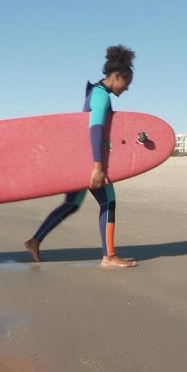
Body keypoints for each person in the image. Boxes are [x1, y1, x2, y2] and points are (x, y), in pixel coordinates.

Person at [24, 45, 137, 267]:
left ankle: (35, 240)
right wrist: (97, 165)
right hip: (88, 161)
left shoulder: (94, 92)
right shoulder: (101, 95)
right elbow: (95, 128)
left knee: (72, 204)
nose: (127, 89)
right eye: (127, 83)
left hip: (78, 159)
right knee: (108, 202)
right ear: (117, 76)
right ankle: (109, 256)